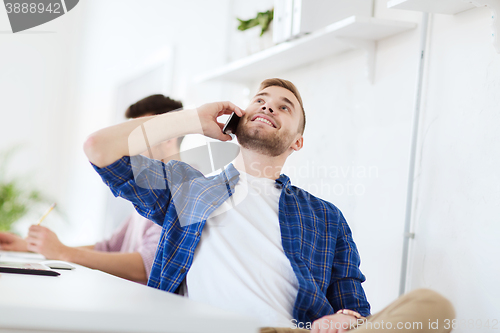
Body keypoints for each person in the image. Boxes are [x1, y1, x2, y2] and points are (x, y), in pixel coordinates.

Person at [83, 78, 455, 332]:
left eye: (283, 107)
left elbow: (352, 302)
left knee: (430, 306)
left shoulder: (325, 217)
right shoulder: (188, 189)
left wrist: (345, 318)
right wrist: (194, 120)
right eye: (259, 102)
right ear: (238, 121)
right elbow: (99, 149)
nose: (267, 108)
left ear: (297, 143)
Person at [0, 94, 184, 285]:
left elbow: (148, 266)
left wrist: (63, 252)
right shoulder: (151, 189)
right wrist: (35, 247)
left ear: (168, 138)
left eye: (136, 135)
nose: (128, 146)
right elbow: (109, 248)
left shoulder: (182, 192)